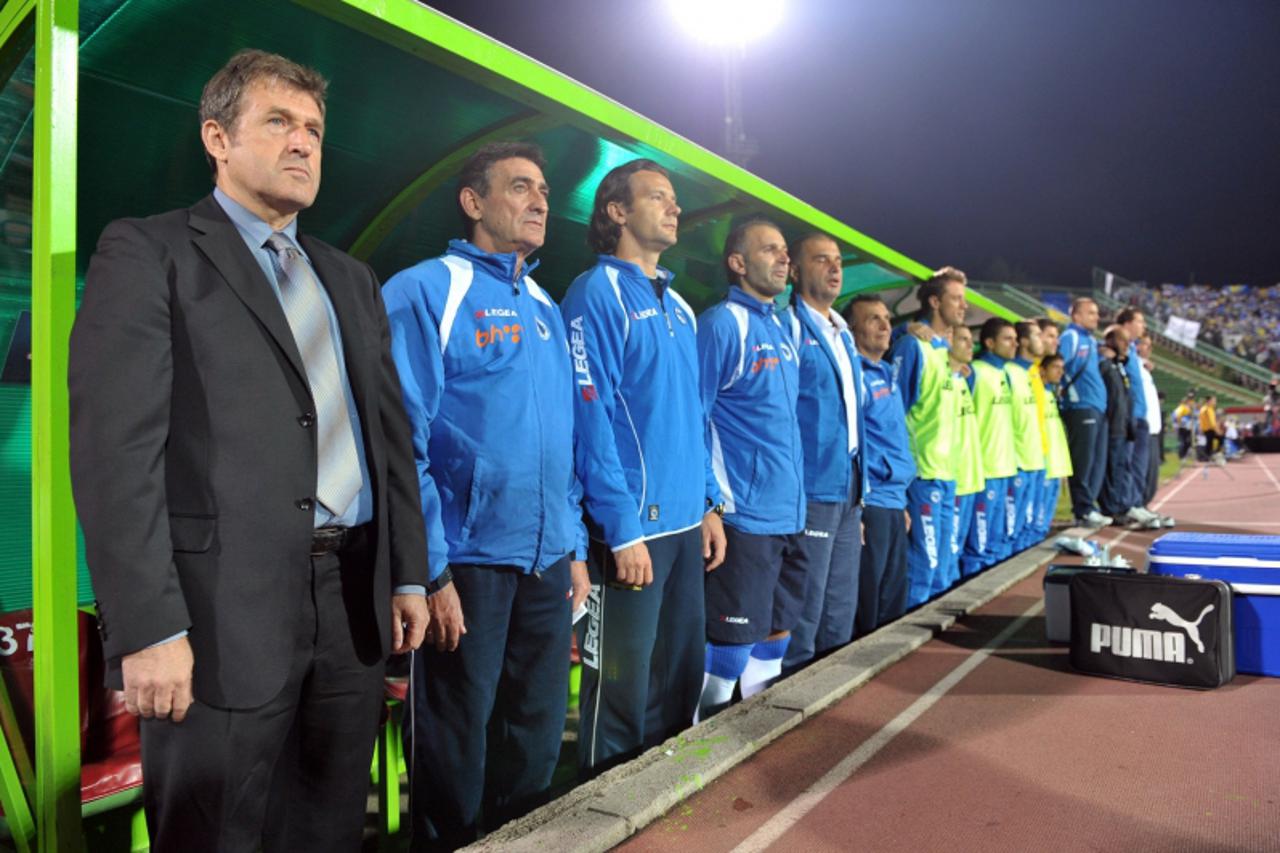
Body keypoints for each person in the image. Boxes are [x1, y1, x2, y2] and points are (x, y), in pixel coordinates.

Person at [68, 50, 430, 851]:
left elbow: (390, 439)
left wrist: (408, 571)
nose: (303, 142)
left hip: (351, 603)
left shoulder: (350, 278)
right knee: (215, 833)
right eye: (279, 122)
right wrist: (148, 627)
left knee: (328, 829)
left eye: (314, 130)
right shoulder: (149, 251)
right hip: (216, 618)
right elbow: (114, 455)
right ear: (217, 138)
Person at [383, 141, 589, 848]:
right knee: (454, 741)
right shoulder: (426, 289)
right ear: (473, 202)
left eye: (545, 191)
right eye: (520, 187)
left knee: (533, 736)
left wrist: (574, 546)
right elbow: (400, 440)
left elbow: (563, 441)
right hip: (464, 563)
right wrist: (429, 570)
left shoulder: (545, 305)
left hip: (546, 559)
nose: (540, 202)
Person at [559, 159, 726, 774]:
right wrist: (621, 527)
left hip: (684, 526)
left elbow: (694, 417)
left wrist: (708, 503)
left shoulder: (680, 306)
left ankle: (665, 812)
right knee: (619, 699)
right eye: (658, 196)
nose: (674, 207)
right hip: (632, 534)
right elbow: (590, 419)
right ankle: (601, 813)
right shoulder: (595, 293)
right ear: (617, 211)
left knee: (679, 685)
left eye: (674, 198)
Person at [696, 217, 805, 717]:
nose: (784, 258)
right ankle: (701, 744)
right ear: (738, 263)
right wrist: (709, 504)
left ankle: (756, 736)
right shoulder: (722, 324)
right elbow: (694, 417)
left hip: (788, 515)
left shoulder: (780, 327)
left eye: (785, 250)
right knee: (730, 647)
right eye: (769, 250)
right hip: (742, 516)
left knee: (776, 634)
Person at [778, 233, 866, 672]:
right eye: (821, 260)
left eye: (838, 261)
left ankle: (831, 698)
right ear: (795, 270)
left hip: (849, 487)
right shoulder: (789, 325)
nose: (834, 268)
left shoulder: (842, 332)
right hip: (811, 486)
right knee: (806, 608)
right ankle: (791, 699)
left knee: (839, 608)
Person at [891, 268, 965, 606]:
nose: (964, 306)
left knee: (943, 571)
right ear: (935, 302)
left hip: (947, 474)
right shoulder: (913, 345)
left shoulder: (942, 351)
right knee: (924, 568)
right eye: (956, 299)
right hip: (922, 475)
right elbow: (894, 413)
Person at [849, 295, 916, 634]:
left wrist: (900, 502)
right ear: (851, 329)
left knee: (892, 603)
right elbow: (850, 446)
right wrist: (858, 507)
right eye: (873, 319)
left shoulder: (888, 373)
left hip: (893, 502)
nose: (884, 325)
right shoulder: (853, 375)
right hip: (871, 502)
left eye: (887, 318)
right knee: (868, 604)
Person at [965, 318, 1017, 570]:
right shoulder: (974, 371)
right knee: (978, 543)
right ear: (989, 342)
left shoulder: (1004, 373)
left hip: (1005, 468)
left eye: (1015, 339)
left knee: (997, 540)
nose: (1015, 344)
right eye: (1007, 338)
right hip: (984, 469)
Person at [1058, 297, 1112, 527]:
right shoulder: (1070, 337)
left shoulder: (1089, 340)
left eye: (1096, 313)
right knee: (1083, 461)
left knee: (1096, 462)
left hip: (1096, 407)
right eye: (1091, 313)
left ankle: (1089, 506)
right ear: (1076, 316)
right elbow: (1059, 365)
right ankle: (1082, 510)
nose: (1096, 317)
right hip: (1080, 407)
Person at [1114, 309, 1166, 527]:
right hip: (1129, 416)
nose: (1143, 325)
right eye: (1140, 321)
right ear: (1127, 323)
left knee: (1138, 467)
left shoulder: (1133, 353)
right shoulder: (1118, 348)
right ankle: (1128, 506)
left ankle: (1137, 504)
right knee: (1128, 465)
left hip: (1141, 417)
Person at [1005, 321, 1047, 555]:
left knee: (1025, 528)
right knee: (1009, 529)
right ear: (1023, 341)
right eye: (1038, 335)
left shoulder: (1031, 372)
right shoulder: (1009, 372)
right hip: (1018, 461)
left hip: (1035, 458)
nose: (1043, 340)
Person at [948, 324, 986, 579]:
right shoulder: (943, 379)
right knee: (947, 554)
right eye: (962, 339)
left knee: (958, 549)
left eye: (971, 339)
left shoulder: (964, 378)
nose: (970, 345)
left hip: (971, 477)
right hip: (954, 478)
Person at [1033, 352, 1073, 541]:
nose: (1060, 372)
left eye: (1062, 368)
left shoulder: (1050, 393)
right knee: (1038, 513)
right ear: (1042, 369)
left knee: (1046, 515)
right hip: (1044, 462)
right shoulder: (1037, 393)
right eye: (1055, 367)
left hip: (1056, 463)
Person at [1173, 391, 1198, 461]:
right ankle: (1182, 456)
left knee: (1189, 441)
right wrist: (1180, 423)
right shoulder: (1182, 407)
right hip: (1183, 427)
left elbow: (1193, 415)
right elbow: (1178, 416)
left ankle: (1184, 455)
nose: (1190, 402)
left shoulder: (1189, 407)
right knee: (1183, 442)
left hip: (1188, 427)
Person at [1199, 394, 1221, 461]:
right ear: (1209, 401)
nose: (1215, 402)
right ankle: (1213, 454)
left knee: (1210, 443)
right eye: (1214, 401)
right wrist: (1217, 430)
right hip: (1209, 429)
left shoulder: (1207, 408)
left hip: (1207, 429)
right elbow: (1212, 422)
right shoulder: (1207, 409)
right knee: (1219, 438)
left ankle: (1207, 456)